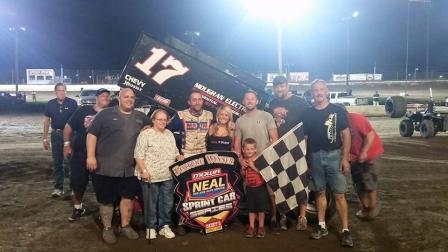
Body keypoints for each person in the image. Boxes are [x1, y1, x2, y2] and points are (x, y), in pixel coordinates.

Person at [86, 88, 150, 244]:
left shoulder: (141, 117)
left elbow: (154, 129)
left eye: (132, 97)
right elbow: (91, 135)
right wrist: (90, 156)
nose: (129, 99)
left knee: (127, 198)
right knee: (106, 200)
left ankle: (125, 225)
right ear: (119, 98)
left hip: (129, 168)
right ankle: (107, 228)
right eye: (126, 97)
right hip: (105, 167)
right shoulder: (105, 114)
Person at [302, 79, 353, 247]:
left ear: (327, 91)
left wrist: (345, 158)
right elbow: (306, 138)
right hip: (315, 157)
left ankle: (345, 230)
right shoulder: (308, 113)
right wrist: (307, 159)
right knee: (320, 192)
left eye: (321, 89)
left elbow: (346, 135)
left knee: (339, 194)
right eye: (315, 90)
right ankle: (321, 225)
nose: (318, 92)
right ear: (312, 92)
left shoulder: (337, 111)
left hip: (334, 156)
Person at [134, 109, 183, 240]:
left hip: (167, 175)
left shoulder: (169, 134)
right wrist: (144, 171)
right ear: (153, 120)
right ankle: (150, 227)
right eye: (159, 119)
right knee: (151, 203)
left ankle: (164, 226)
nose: (162, 122)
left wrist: (178, 156)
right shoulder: (146, 134)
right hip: (150, 175)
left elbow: (174, 151)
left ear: (167, 121)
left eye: (164, 119)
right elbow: (138, 155)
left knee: (167, 202)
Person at [233, 90, 279, 230]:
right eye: (247, 98)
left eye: (253, 98)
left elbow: (275, 139)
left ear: (257, 101)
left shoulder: (266, 116)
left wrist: (268, 158)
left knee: (271, 192)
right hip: (248, 163)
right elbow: (236, 144)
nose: (250, 101)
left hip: (265, 161)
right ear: (243, 101)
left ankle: (273, 218)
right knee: (252, 191)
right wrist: (241, 160)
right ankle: (254, 223)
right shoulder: (240, 120)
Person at [63, 88, 111, 221]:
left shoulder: (112, 113)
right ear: (97, 98)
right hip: (80, 153)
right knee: (77, 182)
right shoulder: (83, 110)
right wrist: (67, 144)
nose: (105, 98)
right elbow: (68, 127)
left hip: (102, 156)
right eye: (102, 95)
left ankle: (105, 213)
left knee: (102, 185)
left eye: (108, 96)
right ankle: (78, 208)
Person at [269, 75, 309, 231]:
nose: (279, 89)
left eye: (282, 86)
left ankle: (302, 217)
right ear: (274, 88)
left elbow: (308, 126)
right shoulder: (272, 103)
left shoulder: (300, 102)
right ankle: (283, 215)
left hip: (297, 148)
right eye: (276, 86)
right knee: (281, 183)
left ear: (287, 85)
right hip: (278, 150)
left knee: (300, 182)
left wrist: (305, 147)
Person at [170, 90, 213, 235]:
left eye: (199, 99)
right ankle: (182, 222)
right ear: (189, 102)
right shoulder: (180, 115)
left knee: (202, 189)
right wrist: (177, 153)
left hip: (203, 155)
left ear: (203, 101)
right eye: (193, 100)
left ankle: (199, 220)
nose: (197, 102)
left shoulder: (210, 115)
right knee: (185, 190)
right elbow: (167, 131)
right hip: (186, 156)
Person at [347, 111, 384, 220]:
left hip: (370, 153)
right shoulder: (334, 123)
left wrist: (364, 152)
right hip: (354, 156)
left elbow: (370, 134)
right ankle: (366, 207)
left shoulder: (356, 118)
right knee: (358, 182)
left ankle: (372, 207)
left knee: (369, 182)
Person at [43, 83, 77, 197]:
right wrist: (44, 138)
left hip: (71, 136)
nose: (61, 92)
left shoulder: (72, 103)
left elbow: (76, 120)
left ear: (66, 91)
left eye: (63, 90)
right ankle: (58, 188)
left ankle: (74, 188)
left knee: (72, 162)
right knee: (58, 162)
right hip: (56, 135)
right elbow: (47, 121)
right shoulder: (50, 104)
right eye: (59, 90)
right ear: (55, 91)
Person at [240, 138, 270, 238]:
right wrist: (243, 169)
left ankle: (261, 227)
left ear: (255, 149)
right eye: (247, 149)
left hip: (260, 187)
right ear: (243, 150)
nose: (249, 151)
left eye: (252, 149)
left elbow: (265, 174)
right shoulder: (244, 161)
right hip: (250, 188)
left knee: (261, 209)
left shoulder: (259, 159)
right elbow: (243, 175)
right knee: (251, 209)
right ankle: (252, 227)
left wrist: (253, 166)